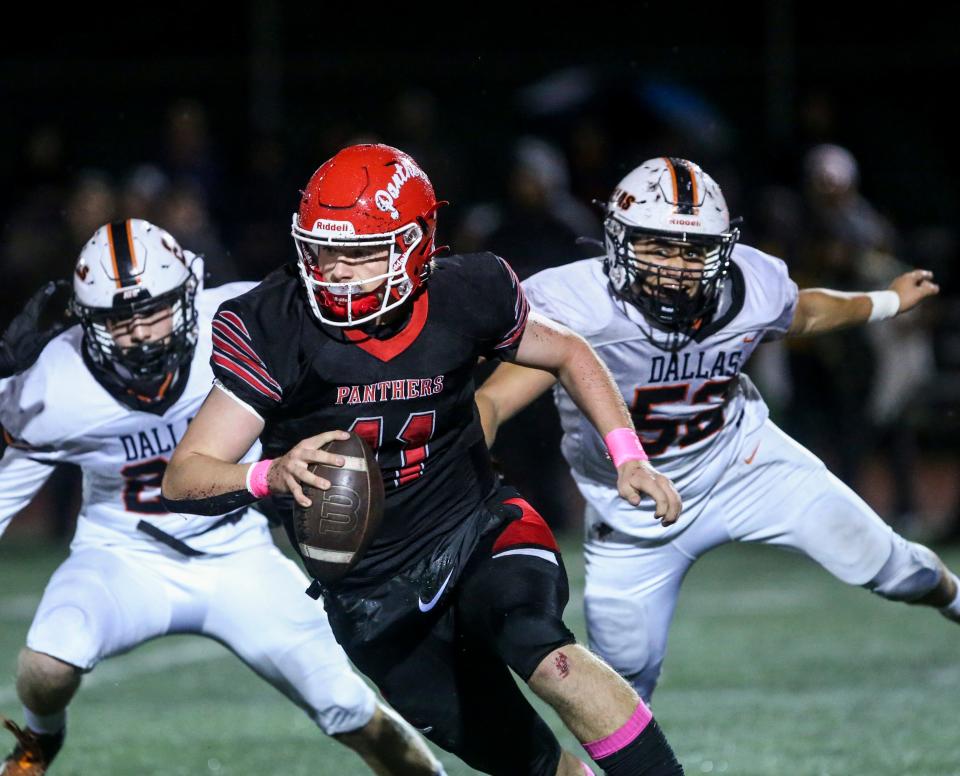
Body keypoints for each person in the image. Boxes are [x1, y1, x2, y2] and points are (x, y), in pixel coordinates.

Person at [161, 144, 685, 776]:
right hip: (370, 592)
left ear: (415, 244)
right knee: (531, 764)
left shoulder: (467, 291)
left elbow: (569, 352)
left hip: (475, 527)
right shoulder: (275, 325)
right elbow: (184, 474)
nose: (335, 271)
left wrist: (629, 457)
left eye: (359, 254)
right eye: (323, 250)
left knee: (540, 646)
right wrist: (266, 473)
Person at [474, 157, 960, 704]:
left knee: (894, 567)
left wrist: (888, 300)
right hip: (629, 504)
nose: (676, 267)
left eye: (693, 250)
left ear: (720, 250)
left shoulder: (748, 286)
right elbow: (492, 399)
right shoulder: (575, 303)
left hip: (744, 463)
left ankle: (956, 597)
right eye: (656, 246)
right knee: (620, 691)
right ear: (617, 240)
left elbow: (807, 313)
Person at [0, 219, 443, 776]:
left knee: (353, 711)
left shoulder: (241, 320)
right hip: (121, 554)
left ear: (191, 290)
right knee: (45, 667)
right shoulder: (51, 383)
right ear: (86, 321)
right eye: (119, 319)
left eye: (155, 308)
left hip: (239, 552)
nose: (140, 333)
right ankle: (40, 740)